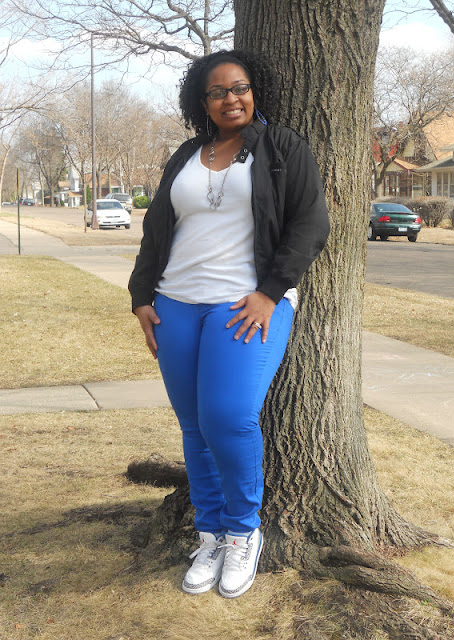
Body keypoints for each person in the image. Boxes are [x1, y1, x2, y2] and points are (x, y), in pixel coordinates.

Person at [128, 49, 330, 598]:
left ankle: (243, 533)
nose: (230, 98)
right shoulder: (186, 155)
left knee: (229, 417)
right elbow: (156, 229)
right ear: (203, 103)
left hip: (243, 306)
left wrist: (270, 292)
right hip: (175, 304)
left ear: (254, 91)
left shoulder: (282, 147)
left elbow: (311, 224)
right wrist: (141, 296)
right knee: (194, 425)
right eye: (217, 92)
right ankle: (211, 534)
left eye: (239, 87)